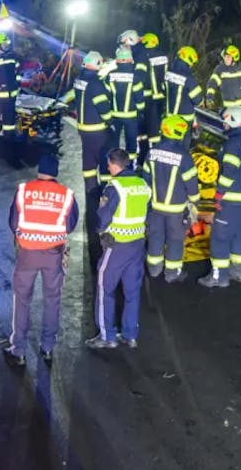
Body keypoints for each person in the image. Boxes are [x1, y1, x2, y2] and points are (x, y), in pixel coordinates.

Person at [5, 153, 79, 367]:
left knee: (22, 300)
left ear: (39, 171)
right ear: (56, 173)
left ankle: (18, 349)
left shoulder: (23, 190)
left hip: (27, 253)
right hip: (53, 255)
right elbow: (70, 225)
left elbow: (13, 222)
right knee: (52, 300)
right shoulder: (66, 195)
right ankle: (47, 348)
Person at [86, 149, 151, 349]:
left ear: (114, 165)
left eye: (108, 165)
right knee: (132, 291)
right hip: (138, 245)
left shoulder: (114, 187)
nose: (107, 168)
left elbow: (103, 219)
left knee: (105, 288)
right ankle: (130, 334)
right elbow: (147, 213)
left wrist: (98, 231)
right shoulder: (142, 185)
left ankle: (107, 336)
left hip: (117, 245)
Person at [200, 106, 241, 288]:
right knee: (239, 233)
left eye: (226, 120)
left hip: (232, 198)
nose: (224, 124)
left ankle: (219, 276)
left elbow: (229, 172)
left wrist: (219, 195)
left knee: (220, 236)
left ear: (233, 121)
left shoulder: (232, 144)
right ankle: (238, 271)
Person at [145, 115, 199, 282]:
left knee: (155, 237)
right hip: (176, 210)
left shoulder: (152, 152)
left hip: (155, 208)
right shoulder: (184, 156)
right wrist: (194, 202)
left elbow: (146, 180)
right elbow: (191, 184)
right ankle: (172, 273)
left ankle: (154, 269)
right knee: (175, 241)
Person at [60, 51, 113, 220]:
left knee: (88, 158)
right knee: (104, 160)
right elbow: (103, 107)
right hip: (97, 129)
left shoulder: (80, 80)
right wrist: (110, 121)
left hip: (83, 128)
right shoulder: (96, 84)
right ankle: (105, 189)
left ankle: (90, 188)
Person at [104, 47, 146, 156]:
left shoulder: (109, 75)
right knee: (131, 143)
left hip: (114, 116)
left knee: (113, 142)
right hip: (131, 116)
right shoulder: (135, 76)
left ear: (117, 60)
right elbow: (139, 98)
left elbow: (106, 96)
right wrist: (141, 112)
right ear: (130, 59)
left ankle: (114, 164)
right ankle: (130, 166)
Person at [140, 33, 168, 163]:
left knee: (145, 130)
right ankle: (158, 157)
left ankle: (143, 158)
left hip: (148, 97)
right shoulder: (164, 56)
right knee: (157, 129)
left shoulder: (144, 56)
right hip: (161, 97)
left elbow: (142, 77)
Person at [205, 45, 241, 111]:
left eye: (228, 57)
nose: (226, 59)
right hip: (228, 107)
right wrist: (210, 98)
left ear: (234, 58)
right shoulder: (220, 69)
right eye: (225, 57)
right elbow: (212, 84)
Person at [164, 45, 204, 126]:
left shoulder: (168, 73)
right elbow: (198, 100)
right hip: (184, 120)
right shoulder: (188, 79)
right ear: (189, 60)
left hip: (169, 117)